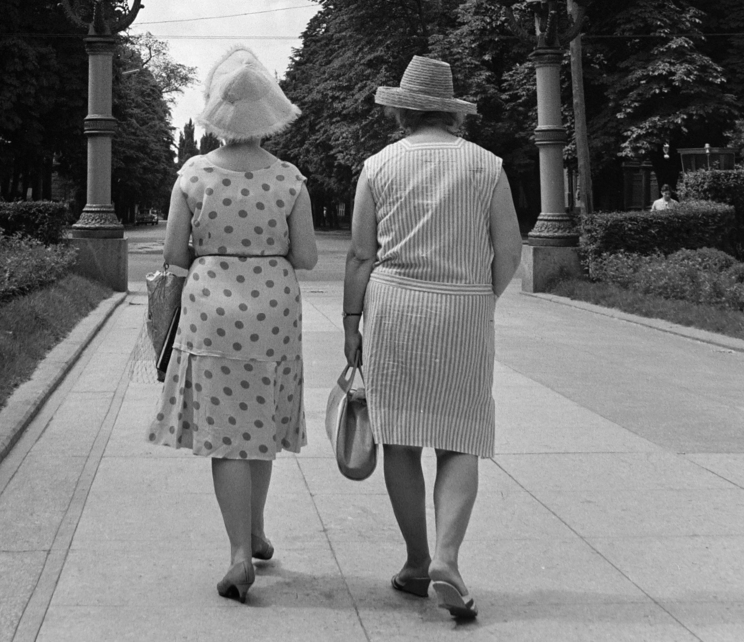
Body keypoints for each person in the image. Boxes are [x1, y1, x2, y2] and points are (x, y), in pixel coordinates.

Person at [343, 55, 522, 622]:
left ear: (402, 111)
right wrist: (481, 296)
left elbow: (361, 254)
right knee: (460, 435)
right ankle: (448, 557)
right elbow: (509, 248)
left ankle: (418, 562)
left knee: (399, 438)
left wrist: (351, 322)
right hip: (463, 307)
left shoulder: (378, 165)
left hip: (394, 307)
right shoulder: (486, 165)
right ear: (451, 113)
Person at [147, 46, 318, 602]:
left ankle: (241, 552)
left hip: (210, 312)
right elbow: (307, 256)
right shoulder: (290, 179)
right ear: (269, 115)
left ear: (216, 115)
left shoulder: (193, 174)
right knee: (260, 422)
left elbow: (174, 255)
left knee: (226, 435)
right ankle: (258, 530)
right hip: (273, 312)